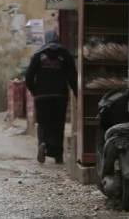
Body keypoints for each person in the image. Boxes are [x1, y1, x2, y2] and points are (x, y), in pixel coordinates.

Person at [25, 30, 77, 164]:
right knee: (58, 125)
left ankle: (43, 143)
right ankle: (57, 154)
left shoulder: (38, 55)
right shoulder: (65, 54)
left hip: (42, 95)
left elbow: (29, 76)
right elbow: (72, 76)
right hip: (60, 95)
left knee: (43, 123)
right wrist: (77, 92)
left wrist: (34, 90)